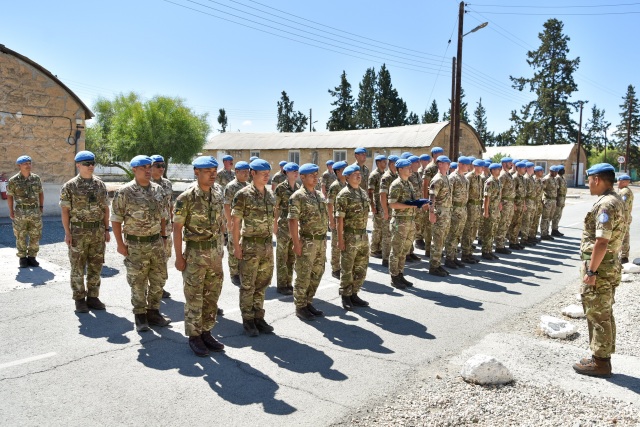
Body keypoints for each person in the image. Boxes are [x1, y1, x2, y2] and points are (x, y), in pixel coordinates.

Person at [573, 163, 625, 378]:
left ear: (596, 179)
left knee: (598, 313)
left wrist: (591, 272)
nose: (588, 184)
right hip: (609, 265)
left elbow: (602, 241)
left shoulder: (606, 205)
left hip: (601, 269)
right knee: (603, 312)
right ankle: (599, 356)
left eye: (589, 180)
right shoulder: (615, 199)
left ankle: (601, 363)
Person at [111, 155, 171, 332]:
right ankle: (140, 315)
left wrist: (163, 236)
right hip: (135, 245)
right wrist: (120, 244)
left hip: (156, 243)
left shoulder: (158, 190)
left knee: (159, 279)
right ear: (134, 170)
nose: (148, 170)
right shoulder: (125, 192)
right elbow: (116, 219)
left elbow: (163, 216)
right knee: (138, 281)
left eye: (149, 167)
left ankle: (153, 311)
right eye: (143, 167)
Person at [173, 156, 226, 357]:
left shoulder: (218, 193)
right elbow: (176, 229)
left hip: (215, 253)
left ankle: (207, 332)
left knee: (212, 296)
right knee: (194, 297)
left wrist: (222, 247)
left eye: (214, 170)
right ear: (196, 172)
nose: (212, 174)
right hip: (195, 254)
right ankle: (194, 336)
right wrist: (178, 257)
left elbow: (221, 221)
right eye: (207, 171)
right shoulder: (185, 198)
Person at [59, 151, 110, 313]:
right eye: (87, 163)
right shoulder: (70, 186)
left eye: (92, 163)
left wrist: (106, 229)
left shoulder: (100, 185)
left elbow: (106, 208)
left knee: (96, 265)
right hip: (78, 232)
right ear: (78, 165)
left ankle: (93, 297)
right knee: (77, 267)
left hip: (97, 231)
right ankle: (79, 299)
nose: (90, 166)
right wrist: (67, 233)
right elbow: (65, 211)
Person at [232, 159, 276, 337]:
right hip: (250, 244)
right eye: (262, 173)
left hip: (266, 245)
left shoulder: (270, 195)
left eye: (268, 173)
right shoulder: (243, 195)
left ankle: (258, 316)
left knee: (262, 283)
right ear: (252, 173)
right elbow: (235, 223)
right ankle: (248, 319)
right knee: (248, 284)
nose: (266, 175)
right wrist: (236, 246)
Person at [288, 163, 328, 321]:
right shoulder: (298, 196)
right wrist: (296, 243)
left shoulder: (319, 195)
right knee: (304, 275)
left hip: (320, 241)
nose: (315, 177)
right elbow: (292, 221)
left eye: (316, 174)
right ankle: (300, 306)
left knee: (317, 273)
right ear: (302, 177)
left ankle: (308, 301)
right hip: (307, 241)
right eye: (311, 175)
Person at [336, 164, 370, 310]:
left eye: (359, 173)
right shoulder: (344, 194)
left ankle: (354, 293)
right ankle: (345, 296)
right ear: (347, 177)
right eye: (355, 174)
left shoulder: (363, 193)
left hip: (363, 235)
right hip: (350, 235)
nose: (358, 175)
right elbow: (339, 219)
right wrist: (340, 240)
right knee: (347, 268)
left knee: (361, 267)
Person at [388, 159, 425, 288]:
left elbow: (412, 201)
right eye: (407, 167)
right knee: (397, 250)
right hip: (400, 221)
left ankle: (400, 274)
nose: (410, 169)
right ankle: (394, 276)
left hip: (410, 221)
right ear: (400, 169)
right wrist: (409, 205)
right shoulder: (396, 184)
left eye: (410, 167)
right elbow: (392, 204)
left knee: (404, 250)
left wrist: (419, 203)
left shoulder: (408, 183)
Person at [7, 155, 43, 268]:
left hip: (35, 211)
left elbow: (40, 193)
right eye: (25, 164)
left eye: (29, 163)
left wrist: (41, 206)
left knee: (35, 234)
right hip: (20, 212)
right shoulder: (13, 180)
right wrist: (11, 210)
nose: (28, 165)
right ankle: (22, 258)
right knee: (20, 235)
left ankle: (32, 257)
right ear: (19, 166)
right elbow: (10, 196)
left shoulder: (36, 178)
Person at [274, 162, 301, 295]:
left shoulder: (298, 187)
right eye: (293, 171)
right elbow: (275, 207)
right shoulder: (280, 188)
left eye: (297, 171)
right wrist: (274, 224)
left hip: (295, 226)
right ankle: (281, 284)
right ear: (286, 173)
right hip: (283, 226)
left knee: (291, 256)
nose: (296, 173)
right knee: (281, 256)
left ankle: (288, 283)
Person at [150, 154, 173, 299]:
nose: (161, 168)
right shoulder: (146, 184)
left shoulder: (167, 184)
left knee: (165, 256)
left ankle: (159, 286)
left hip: (167, 227)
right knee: (152, 259)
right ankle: (150, 287)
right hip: (151, 227)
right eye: (158, 165)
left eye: (163, 165)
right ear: (150, 167)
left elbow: (170, 205)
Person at [223, 161, 250, 287]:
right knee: (233, 245)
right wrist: (229, 221)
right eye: (243, 172)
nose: (246, 174)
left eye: (247, 171)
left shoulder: (249, 185)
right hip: (235, 221)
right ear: (237, 172)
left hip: (245, 223)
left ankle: (242, 271)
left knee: (244, 246)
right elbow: (226, 205)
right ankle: (234, 273)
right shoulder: (231, 186)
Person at [428, 155, 453, 277]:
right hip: (439, 213)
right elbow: (432, 198)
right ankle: (434, 266)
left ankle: (437, 263)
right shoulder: (437, 179)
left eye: (449, 163)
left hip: (446, 213)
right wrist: (431, 213)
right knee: (437, 239)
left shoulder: (446, 178)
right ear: (440, 164)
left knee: (442, 239)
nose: (449, 165)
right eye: (446, 163)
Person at [445, 157, 471, 269]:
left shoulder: (465, 179)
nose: (468, 167)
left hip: (463, 209)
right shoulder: (452, 178)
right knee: (452, 234)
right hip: (454, 209)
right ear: (460, 164)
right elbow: (448, 196)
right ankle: (449, 258)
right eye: (466, 165)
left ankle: (454, 256)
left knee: (458, 235)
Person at [327, 161, 348, 279]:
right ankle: (335, 268)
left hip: (345, 219)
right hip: (336, 219)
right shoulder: (335, 186)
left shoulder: (347, 184)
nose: (346, 171)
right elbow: (329, 204)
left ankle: (343, 266)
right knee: (336, 244)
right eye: (343, 169)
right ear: (338, 172)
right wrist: (331, 220)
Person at [421, 146, 444, 256]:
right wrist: (425, 201)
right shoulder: (430, 168)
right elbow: (425, 185)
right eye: (439, 153)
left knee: (437, 226)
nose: (441, 155)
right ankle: (428, 249)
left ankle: (435, 249)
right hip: (431, 200)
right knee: (429, 226)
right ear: (434, 155)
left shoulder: (441, 167)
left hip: (439, 201)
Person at [461, 158, 484, 264]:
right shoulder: (468, 177)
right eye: (480, 167)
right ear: (475, 167)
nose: (482, 169)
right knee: (468, 231)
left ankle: (469, 252)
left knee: (473, 231)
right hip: (470, 207)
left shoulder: (479, 178)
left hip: (477, 207)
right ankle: (465, 254)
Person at [480, 163, 503, 260]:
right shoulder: (489, 181)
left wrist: (500, 203)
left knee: (493, 230)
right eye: (498, 169)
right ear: (493, 170)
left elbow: (499, 194)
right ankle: (485, 251)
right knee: (488, 231)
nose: (499, 170)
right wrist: (485, 211)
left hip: (496, 209)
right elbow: (486, 198)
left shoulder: (498, 181)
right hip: (490, 209)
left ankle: (490, 250)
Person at [379, 155, 399, 268]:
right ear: (391, 164)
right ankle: (385, 259)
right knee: (387, 235)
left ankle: (392, 257)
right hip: (388, 210)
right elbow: (382, 195)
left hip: (395, 210)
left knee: (394, 234)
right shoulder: (386, 177)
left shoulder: (396, 176)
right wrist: (385, 211)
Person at [368, 154, 387, 259]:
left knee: (383, 228)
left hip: (382, 205)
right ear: (378, 163)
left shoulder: (384, 174)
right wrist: (372, 206)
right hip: (377, 205)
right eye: (384, 162)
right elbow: (370, 192)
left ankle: (379, 248)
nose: (386, 164)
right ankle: (374, 249)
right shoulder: (374, 175)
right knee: (377, 229)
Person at [495, 157, 515, 254]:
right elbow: (499, 190)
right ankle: (499, 245)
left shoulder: (508, 174)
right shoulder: (502, 175)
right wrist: (499, 203)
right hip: (505, 203)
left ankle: (502, 243)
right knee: (502, 223)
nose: (511, 164)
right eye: (509, 163)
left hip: (510, 203)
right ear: (503, 163)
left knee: (506, 223)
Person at [508, 161, 528, 250]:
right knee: (514, 223)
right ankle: (512, 242)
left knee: (518, 223)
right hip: (516, 204)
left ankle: (516, 241)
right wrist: (514, 204)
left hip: (521, 203)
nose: (525, 170)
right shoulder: (514, 178)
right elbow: (512, 193)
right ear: (518, 168)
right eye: (523, 168)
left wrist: (524, 204)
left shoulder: (523, 178)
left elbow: (523, 194)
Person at [616, 174, 634, 264]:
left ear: (623, 182)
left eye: (618, 181)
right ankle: (623, 256)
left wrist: (623, 219)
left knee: (624, 237)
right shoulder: (625, 191)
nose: (617, 183)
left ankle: (624, 257)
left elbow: (624, 207)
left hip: (623, 218)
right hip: (625, 218)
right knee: (624, 236)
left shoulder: (625, 192)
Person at [540, 165, 559, 240]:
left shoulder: (554, 179)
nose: (556, 173)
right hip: (547, 200)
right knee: (545, 217)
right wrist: (541, 200)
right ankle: (543, 234)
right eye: (555, 172)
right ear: (551, 171)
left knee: (550, 217)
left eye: (557, 172)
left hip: (553, 200)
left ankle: (546, 232)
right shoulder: (546, 179)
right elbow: (541, 190)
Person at [521, 162, 536, 247]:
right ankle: (524, 239)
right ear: (528, 168)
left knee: (530, 221)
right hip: (527, 202)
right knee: (526, 221)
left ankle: (528, 237)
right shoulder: (526, 178)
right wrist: (524, 204)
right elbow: (524, 193)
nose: (534, 170)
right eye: (532, 168)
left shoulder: (531, 178)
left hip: (532, 202)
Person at [529, 166, 545, 244]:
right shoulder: (534, 180)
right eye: (541, 171)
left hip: (538, 203)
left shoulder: (540, 180)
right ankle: (529, 236)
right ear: (536, 172)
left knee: (536, 220)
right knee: (531, 220)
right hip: (533, 203)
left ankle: (533, 236)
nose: (542, 172)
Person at [552, 165, 568, 237]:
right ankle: (554, 230)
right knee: (556, 215)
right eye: (562, 170)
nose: (564, 171)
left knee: (559, 215)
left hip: (562, 198)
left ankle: (556, 228)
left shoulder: (562, 178)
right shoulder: (557, 178)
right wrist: (556, 199)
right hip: (558, 198)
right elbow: (556, 189)